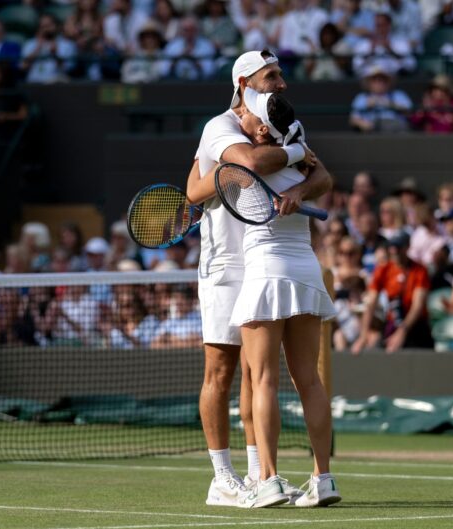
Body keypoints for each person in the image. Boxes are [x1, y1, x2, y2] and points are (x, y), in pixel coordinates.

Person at [185, 51, 332, 509]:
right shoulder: (219, 128)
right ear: (246, 82)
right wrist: (290, 153)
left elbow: (322, 173)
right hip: (226, 263)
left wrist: (298, 188)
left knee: (256, 374)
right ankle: (222, 476)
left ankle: (258, 475)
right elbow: (227, 172)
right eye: (273, 76)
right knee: (222, 370)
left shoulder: (287, 122)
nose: (282, 83)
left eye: (282, 75)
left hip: (267, 260)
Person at [227, 89, 339, 508]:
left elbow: (243, 168)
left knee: (263, 380)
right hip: (306, 270)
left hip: (267, 272)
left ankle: (269, 479)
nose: (238, 115)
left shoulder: (242, 155)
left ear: (259, 127)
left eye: (245, 113)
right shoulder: (301, 154)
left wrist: (298, 187)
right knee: (308, 379)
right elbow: (321, 175)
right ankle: (323, 478)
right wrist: (299, 179)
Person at [352, 231, 433, 354]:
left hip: (415, 325)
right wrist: (363, 335)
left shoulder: (419, 271)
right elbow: (371, 303)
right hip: (393, 321)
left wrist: (402, 332)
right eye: (392, 247)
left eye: (399, 247)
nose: (395, 251)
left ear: (406, 247)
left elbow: (417, 306)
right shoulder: (384, 270)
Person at [349, 66, 412, 133]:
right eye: (375, 80)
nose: (379, 83)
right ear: (368, 83)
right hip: (372, 131)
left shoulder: (398, 95)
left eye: (382, 80)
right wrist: (363, 123)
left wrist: (389, 104)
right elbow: (353, 120)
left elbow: (410, 113)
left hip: (396, 130)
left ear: (388, 82)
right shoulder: (361, 97)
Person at [22, 14, 77, 84]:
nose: (46, 29)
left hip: (56, 85)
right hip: (33, 83)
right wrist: (37, 49)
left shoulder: (68, 45)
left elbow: (67, 69)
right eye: (43, 26)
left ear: (57, 26)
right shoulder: (30, 44)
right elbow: (23, 67)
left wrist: (55, 54)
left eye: (49, 25)